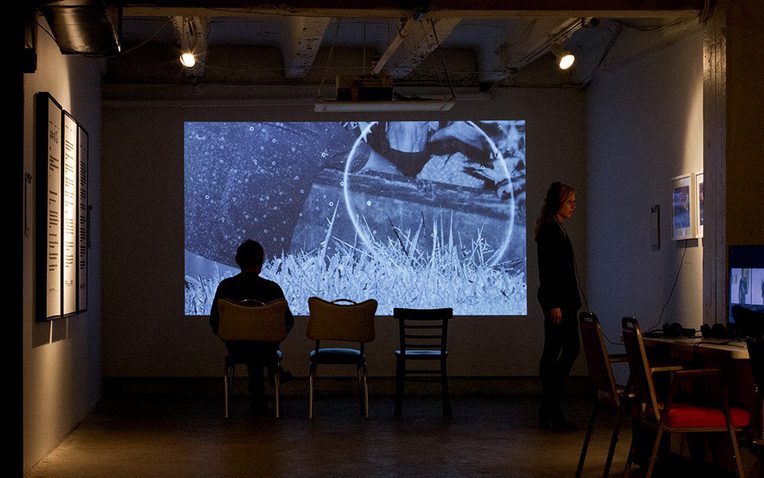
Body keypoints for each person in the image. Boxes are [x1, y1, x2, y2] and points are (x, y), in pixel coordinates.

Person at [209, 239, 295, 414]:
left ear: (237, 260)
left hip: (237, 348)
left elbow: (214, 320)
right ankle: (274, 373)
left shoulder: (226, 287)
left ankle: (260, 395)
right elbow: (288, 321)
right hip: (267, 349)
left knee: (250, 344)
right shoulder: (271, 289)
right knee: (260, 346)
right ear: (261, 261)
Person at [535, 182, 581, 430]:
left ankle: (549, 407)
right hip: (559, 304)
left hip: (563, 302)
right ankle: (550, 407)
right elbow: (548, 271)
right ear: (557, 203)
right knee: (564, 349)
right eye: (569, 202)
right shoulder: (550, 231)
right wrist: (553, 304)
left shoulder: (555, 227)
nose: (573, 206)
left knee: (556, 350)